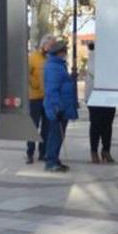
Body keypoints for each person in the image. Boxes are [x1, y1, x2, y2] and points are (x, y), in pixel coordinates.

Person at [42, 40, 77, 172]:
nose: (66, 53)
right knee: (55, 135)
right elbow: (52, 90)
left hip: (62, 107)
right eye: (65, 51)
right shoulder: (54, 67)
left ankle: (54, 159)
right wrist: (57, 107)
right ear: (59, 53)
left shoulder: (58, 65)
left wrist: (72, 77)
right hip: (58, 108)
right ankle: (51, 161)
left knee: (58, 135)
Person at [84, 42, 115, 163]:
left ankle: (106, 150)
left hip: (109, 96)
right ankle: (94, 151)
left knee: (108, 126)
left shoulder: (111, 59)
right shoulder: (93, 58)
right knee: (96, 125)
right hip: (95, 97)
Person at [26, 34, 54, 164]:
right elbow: (26, 73)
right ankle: (30, 153)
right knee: (33, 125)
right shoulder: (33, 57)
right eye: (50, 45)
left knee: (46, 127)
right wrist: (35, 83)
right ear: (44, 44)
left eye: (52, 45)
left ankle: (43, 153)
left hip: (48, 97)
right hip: (35, 97)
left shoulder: (51, 58)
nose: (51, 47)